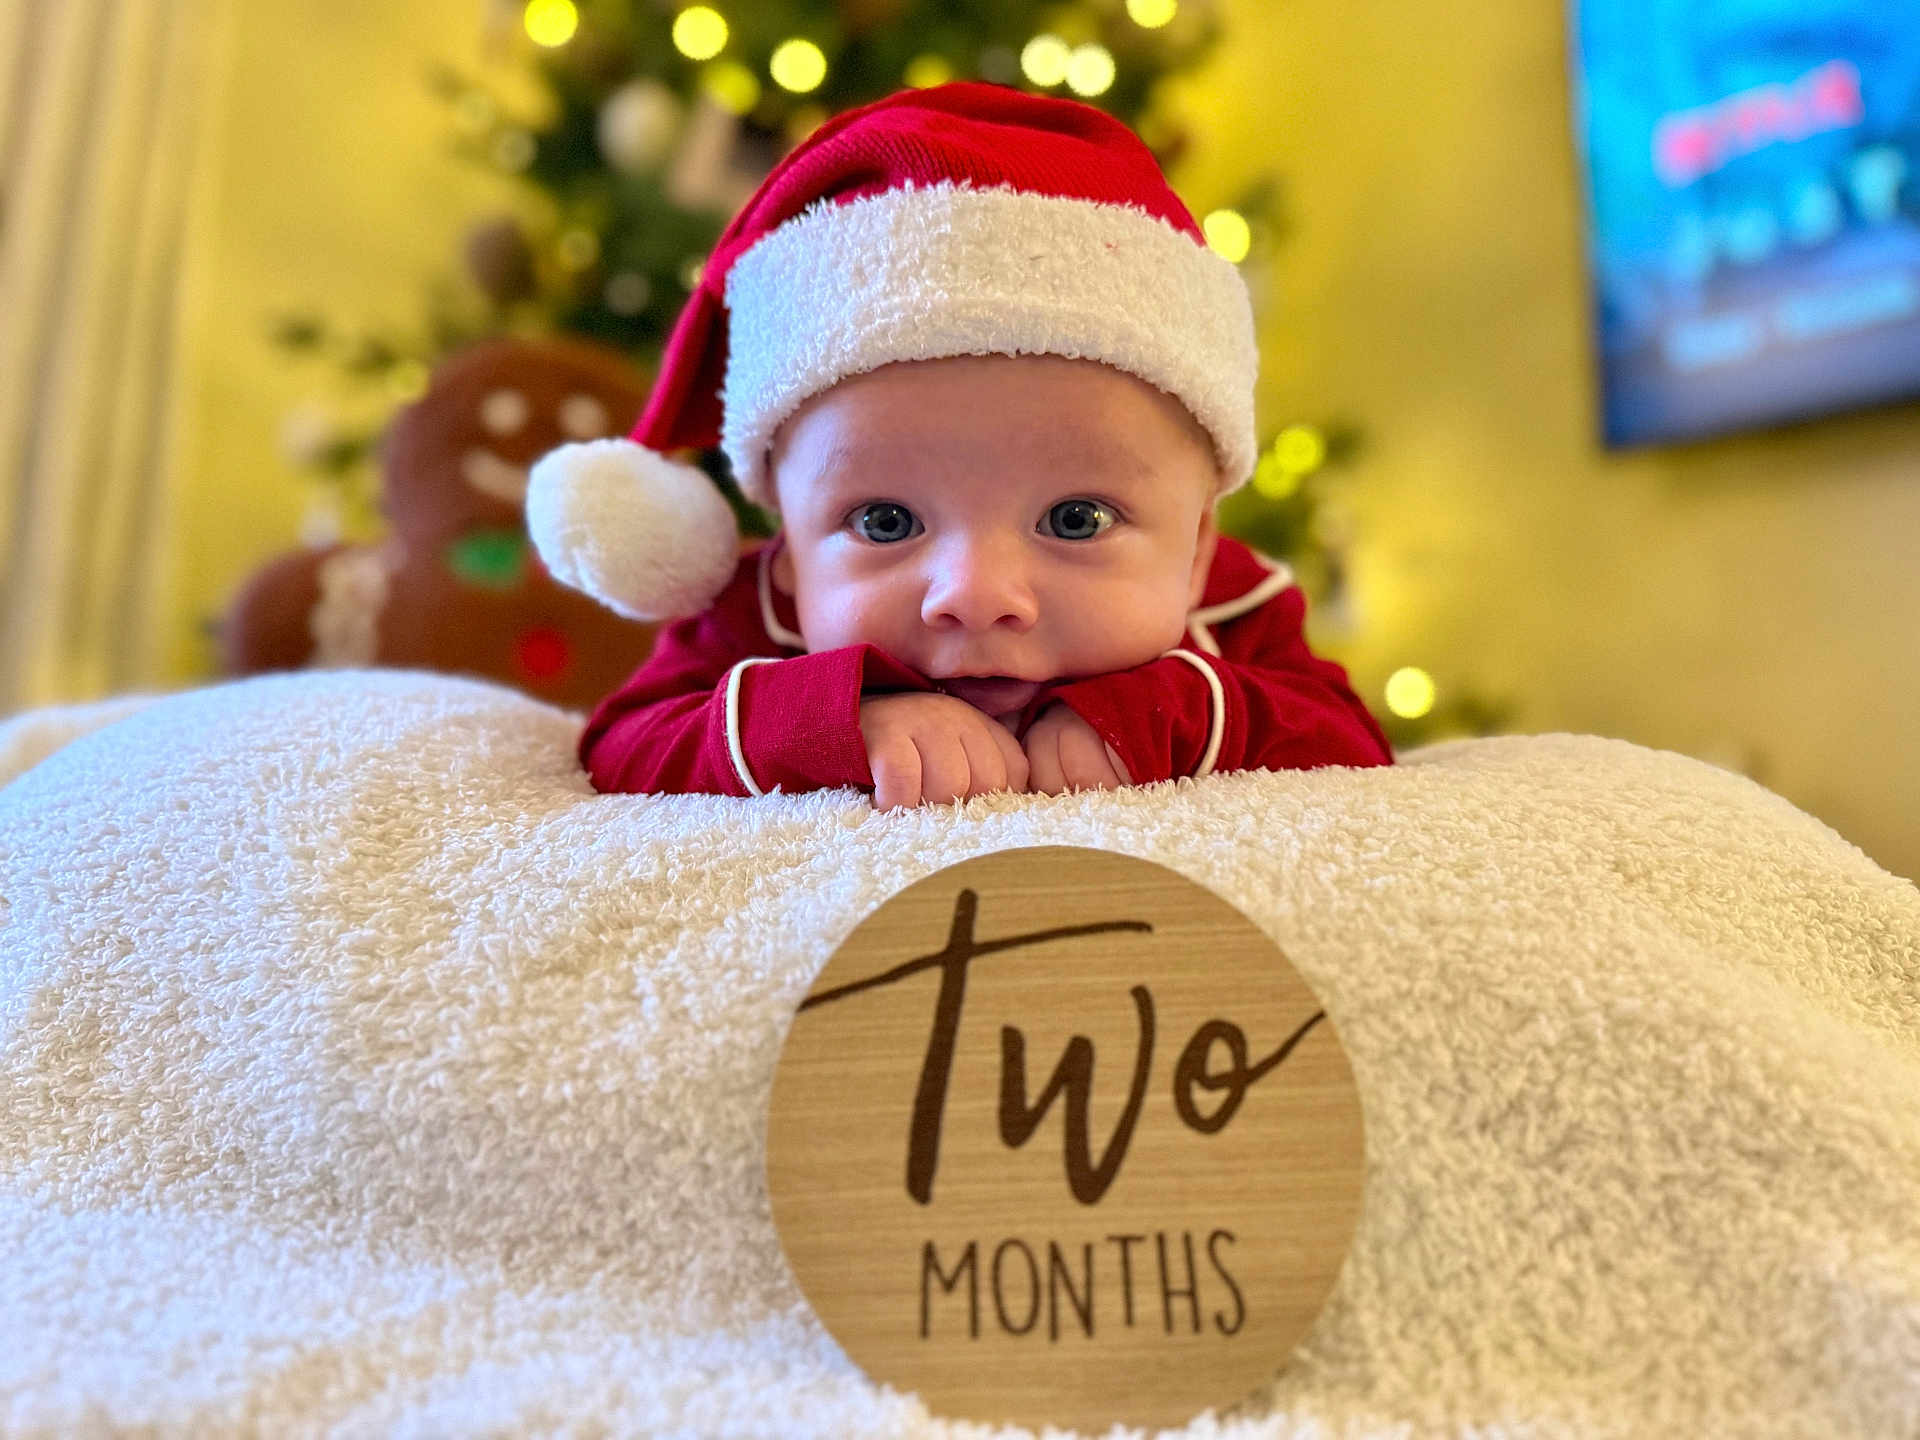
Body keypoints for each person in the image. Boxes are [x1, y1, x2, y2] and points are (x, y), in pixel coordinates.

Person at [525, 82, 1392, 809]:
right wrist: (834, 725)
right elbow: (624, 745)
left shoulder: (1230, 610)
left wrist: (1171, 716)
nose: (976, 597)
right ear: (787, 549)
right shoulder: (757, 616)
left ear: (1198, 549)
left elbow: (1352, 743)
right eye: (888, 521)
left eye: (1078, 518)